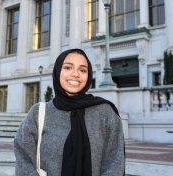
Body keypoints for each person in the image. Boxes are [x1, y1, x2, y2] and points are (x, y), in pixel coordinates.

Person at [14, 48, 125, 176]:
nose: (75, 74)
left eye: (82, 70)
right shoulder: (38, 112)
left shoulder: (105, 112)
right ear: (57, 71)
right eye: (68, 68)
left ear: (88, 76)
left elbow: (114, 163)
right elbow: (23, 157)